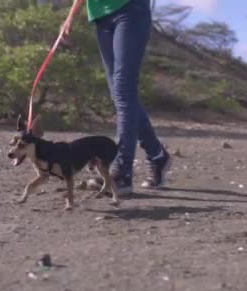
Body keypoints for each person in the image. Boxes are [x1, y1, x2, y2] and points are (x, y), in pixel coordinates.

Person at [60, 0, 171, 195]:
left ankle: (122, 173)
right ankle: (157, 155)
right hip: (101, 15)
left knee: (123, 90)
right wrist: (70, 17)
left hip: (130, 9)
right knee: (120, 94)